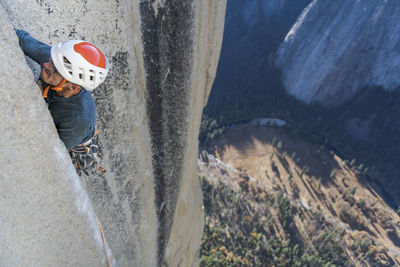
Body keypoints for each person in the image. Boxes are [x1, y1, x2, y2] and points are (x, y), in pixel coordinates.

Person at [15, 29, 109, 176]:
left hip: (80, 148)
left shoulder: (77, 120)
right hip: (65, 121)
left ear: (73, 87)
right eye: (51, 61)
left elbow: (49, 154)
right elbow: (21, 38)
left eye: (54, 68)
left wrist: (40, 103)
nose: (46, 64)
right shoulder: (57, 63)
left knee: (77, 170)